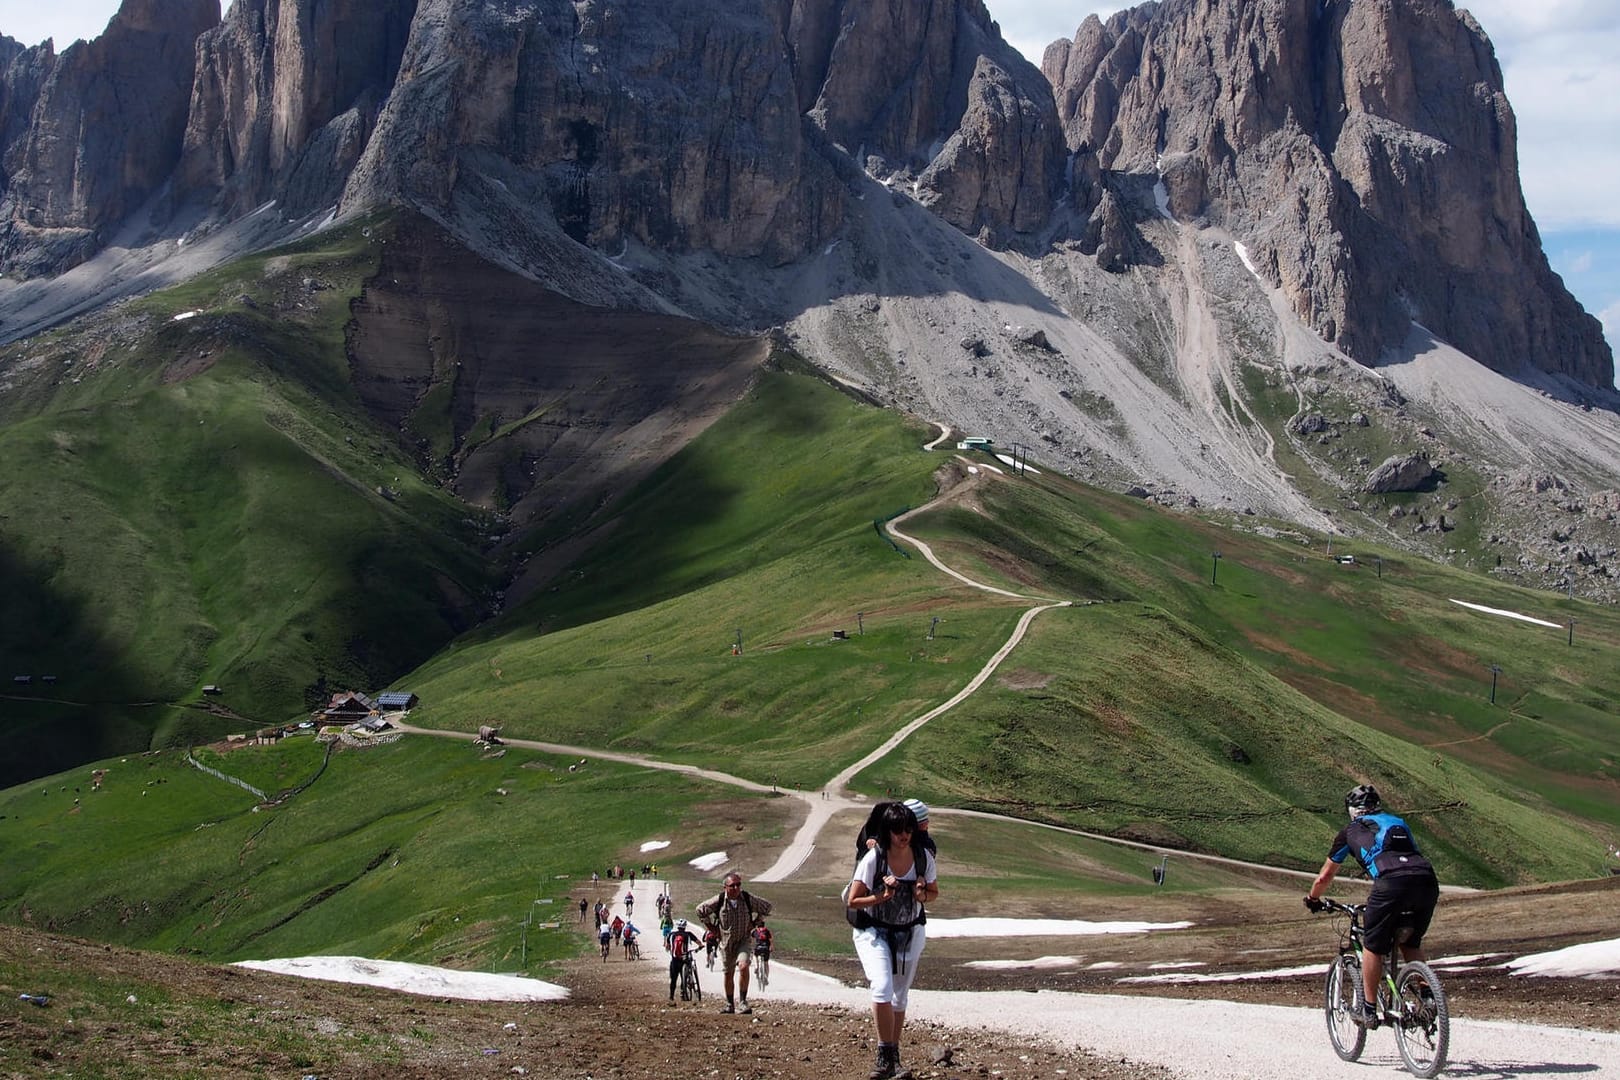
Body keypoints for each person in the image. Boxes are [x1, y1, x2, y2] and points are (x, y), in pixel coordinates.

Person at [1304, 784, 1440, 1027]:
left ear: (1352, 810)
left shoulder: (1349, 831)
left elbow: (1324, 877)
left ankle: (1367, 1008)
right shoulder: (1398, 822)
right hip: (1426, 880)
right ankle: (1430, 998)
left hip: (1389, 884)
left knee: (1373, 946)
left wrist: (1313, 899)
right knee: (1410, 941)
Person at [846, 800, 938, 1080]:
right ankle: (885, 1055)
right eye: (898, 830)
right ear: (887, 832)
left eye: (908, 829)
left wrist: (921, 894)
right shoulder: (874, 859)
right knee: (883, 988)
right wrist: (881, 897)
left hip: (909, 932)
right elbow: (853, 900)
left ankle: (891, 1058)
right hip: (873, 931)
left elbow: (933, 893)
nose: (904, 835)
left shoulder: (923, 858)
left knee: (900, 995)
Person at [695, 872, 775, 1014]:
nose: (737, 888)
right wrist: (712, 928)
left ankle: (743, 1002)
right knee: (728, 973)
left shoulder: (747, 898)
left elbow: (767, 907)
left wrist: (755, 923)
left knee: (744, 966)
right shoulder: (719, 900)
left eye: (739, 885)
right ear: (725, 887)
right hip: (726, 942)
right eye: (733, 886)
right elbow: (700, 910)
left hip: (744, 939)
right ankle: (729, 1004)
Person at [667, 918, 702, 1002]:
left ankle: (671, 996)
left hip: (675, 960)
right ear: (685, 926)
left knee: (673, 979)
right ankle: (683, 993)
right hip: (684, 959)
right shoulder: (688, 934)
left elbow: (667, 946)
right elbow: (699, 943)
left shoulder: (671, 934)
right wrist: (700, 947)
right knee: (685, 976)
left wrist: (670, 948)